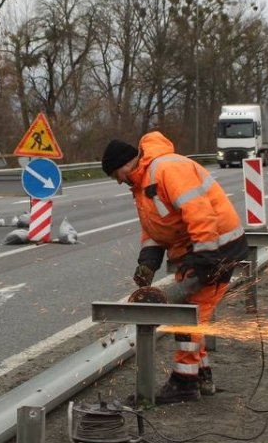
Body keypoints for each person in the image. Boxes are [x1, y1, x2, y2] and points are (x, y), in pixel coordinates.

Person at [101, 132, 248, 405]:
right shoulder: (143, 184)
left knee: (188, 317)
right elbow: (156, 229)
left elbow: (200, 214)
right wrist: (148, 263)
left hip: (216, 249)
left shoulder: (168, 168)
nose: (118, 181)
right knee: (191, 315)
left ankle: (184, 382)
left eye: (115, 175)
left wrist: (204, 260)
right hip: (197, 252)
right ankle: (202, 376)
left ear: (125, 164)